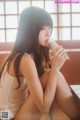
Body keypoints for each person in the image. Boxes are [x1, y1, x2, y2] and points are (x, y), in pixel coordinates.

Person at [0, 6, 80, 120]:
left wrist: (54, 70)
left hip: (13, 113)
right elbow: (44, 108)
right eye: (42, 28)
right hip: (5, 117)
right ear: (30, 31)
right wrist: (55, 69)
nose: (48, 33)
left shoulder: (29, 56)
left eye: (49, 27)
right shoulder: (24, 59)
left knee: (51, 75)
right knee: (52, 75)